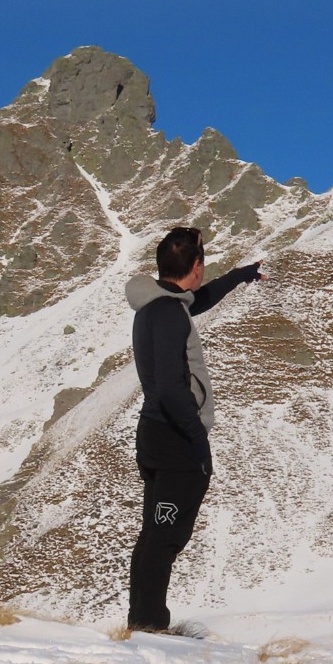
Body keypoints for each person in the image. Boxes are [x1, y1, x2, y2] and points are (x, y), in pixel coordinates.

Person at [124, 226, 264, 632]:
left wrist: (241, 275)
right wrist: (196, 436)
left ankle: (144, 623)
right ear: (196, 266)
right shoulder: (168, 313)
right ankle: (149, 627)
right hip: (174, 439)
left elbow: (198, 299)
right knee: (163, 537)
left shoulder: (159, 304)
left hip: (157, 434)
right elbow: (169, 386)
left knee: (155, 534)